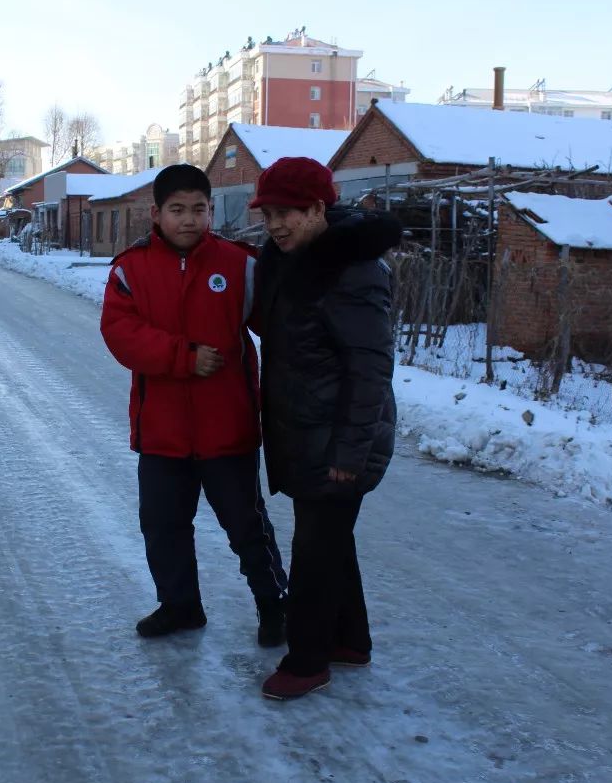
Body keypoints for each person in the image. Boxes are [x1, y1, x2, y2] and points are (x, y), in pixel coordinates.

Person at [100, 164, 288, 646]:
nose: (189, 220)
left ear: (211, 211)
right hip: (162, 432)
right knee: (162, 527)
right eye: (177, 210)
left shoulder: (240, 265)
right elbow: (121, 335)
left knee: (247, 527)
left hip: (227, 427)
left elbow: (283, 324)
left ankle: (274, 607)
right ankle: (180, 606)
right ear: (155, 213)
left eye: (199, 209)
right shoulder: (130, 270)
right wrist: (183, 357)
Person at [248, 157, 403, 700]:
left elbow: (370, 368)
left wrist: (349, 452)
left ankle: (308, 658)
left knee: (314, 548)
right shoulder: (295, 260)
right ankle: (351, 640)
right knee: (331, 538)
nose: (275, 225)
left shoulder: (352, 270)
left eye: (286, 213)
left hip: (338, 438)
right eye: (268, 215)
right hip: (309, 430)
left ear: (318, 207)